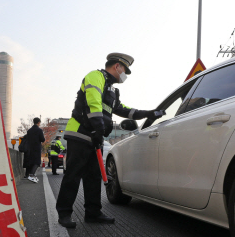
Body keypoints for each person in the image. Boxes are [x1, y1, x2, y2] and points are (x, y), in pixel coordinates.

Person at [55, 53, 164, 228]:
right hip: (80, 134)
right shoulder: (95, 76)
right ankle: (64, 213)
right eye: (125, 70)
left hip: (94, 137)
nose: (125, 75)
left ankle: (93, 213)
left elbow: (121, 109)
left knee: (93, 176)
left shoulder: (113, 90)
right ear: (117, 66)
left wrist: (146, 113)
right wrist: (98, 129)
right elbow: (93, 104)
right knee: (73, 174)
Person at [24, 117, 45, 183]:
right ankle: (32, 175)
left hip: (29, 148)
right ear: (39, 122)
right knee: (37, 162)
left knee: (31, 161)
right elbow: (42, 139)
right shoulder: (39, 130)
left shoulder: (29, 130)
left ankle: (29, 174)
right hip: (36, 148)